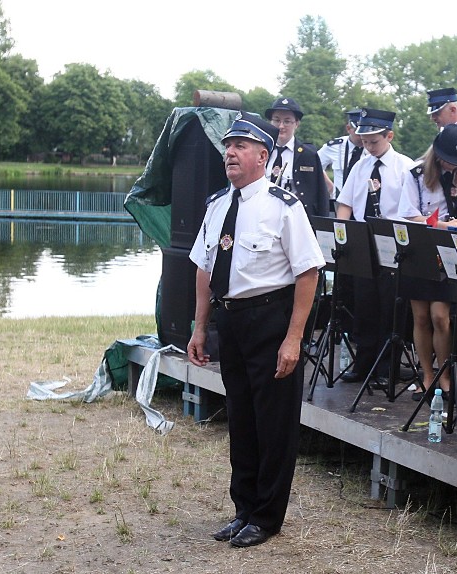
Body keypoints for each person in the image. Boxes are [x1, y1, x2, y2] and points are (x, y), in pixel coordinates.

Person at [187, 112, 325, 547]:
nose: (230, 152)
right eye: (228, 145)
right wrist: (199, 327)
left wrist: (294, 338)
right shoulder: (217, 205)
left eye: (241, 146)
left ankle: (267, 518)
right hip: (232, 321)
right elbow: (204, 269)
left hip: (272, 320)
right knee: (242, 421)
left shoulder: (284, 206)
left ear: (262, 156)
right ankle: (243, 509)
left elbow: (308, 272)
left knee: (274, 425)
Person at [335, 108, 415, 383]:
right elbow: (345, 202)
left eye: (374, 141)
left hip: (391, 240)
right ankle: (363, 362)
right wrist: (342, 234)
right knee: (363, 303)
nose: (368, 147)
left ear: (389, 135)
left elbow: (409, 210)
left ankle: (386, 367)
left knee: (389, 306)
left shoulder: (405, 166)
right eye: (365, 141)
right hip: (363, 240)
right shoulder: (360, 166)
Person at [398, 123, 457, 401]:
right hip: (421, 249)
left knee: (440, 317)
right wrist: (443, 225)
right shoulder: (416, 174)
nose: (452, 167)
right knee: (420, 317)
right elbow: (408, 213)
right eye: (448, 161)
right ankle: (426, 374)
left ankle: (444, 375)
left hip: (450, 253)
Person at [265, 96, 330, 217]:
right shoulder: (261, 151)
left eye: (287, 121)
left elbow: (321, 195)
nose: (281, 126)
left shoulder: (308, 155)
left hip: (296, 220)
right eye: (276, 120)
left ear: (297, 124)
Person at [318, 108, 366, 198]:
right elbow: (314, 164)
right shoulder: (335, 146)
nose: (362, 136)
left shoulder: (373, 148)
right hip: (339, 201)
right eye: (358, 132)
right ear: (348, 128)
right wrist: (330, 187)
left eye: (364, 131)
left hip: (365, 203)